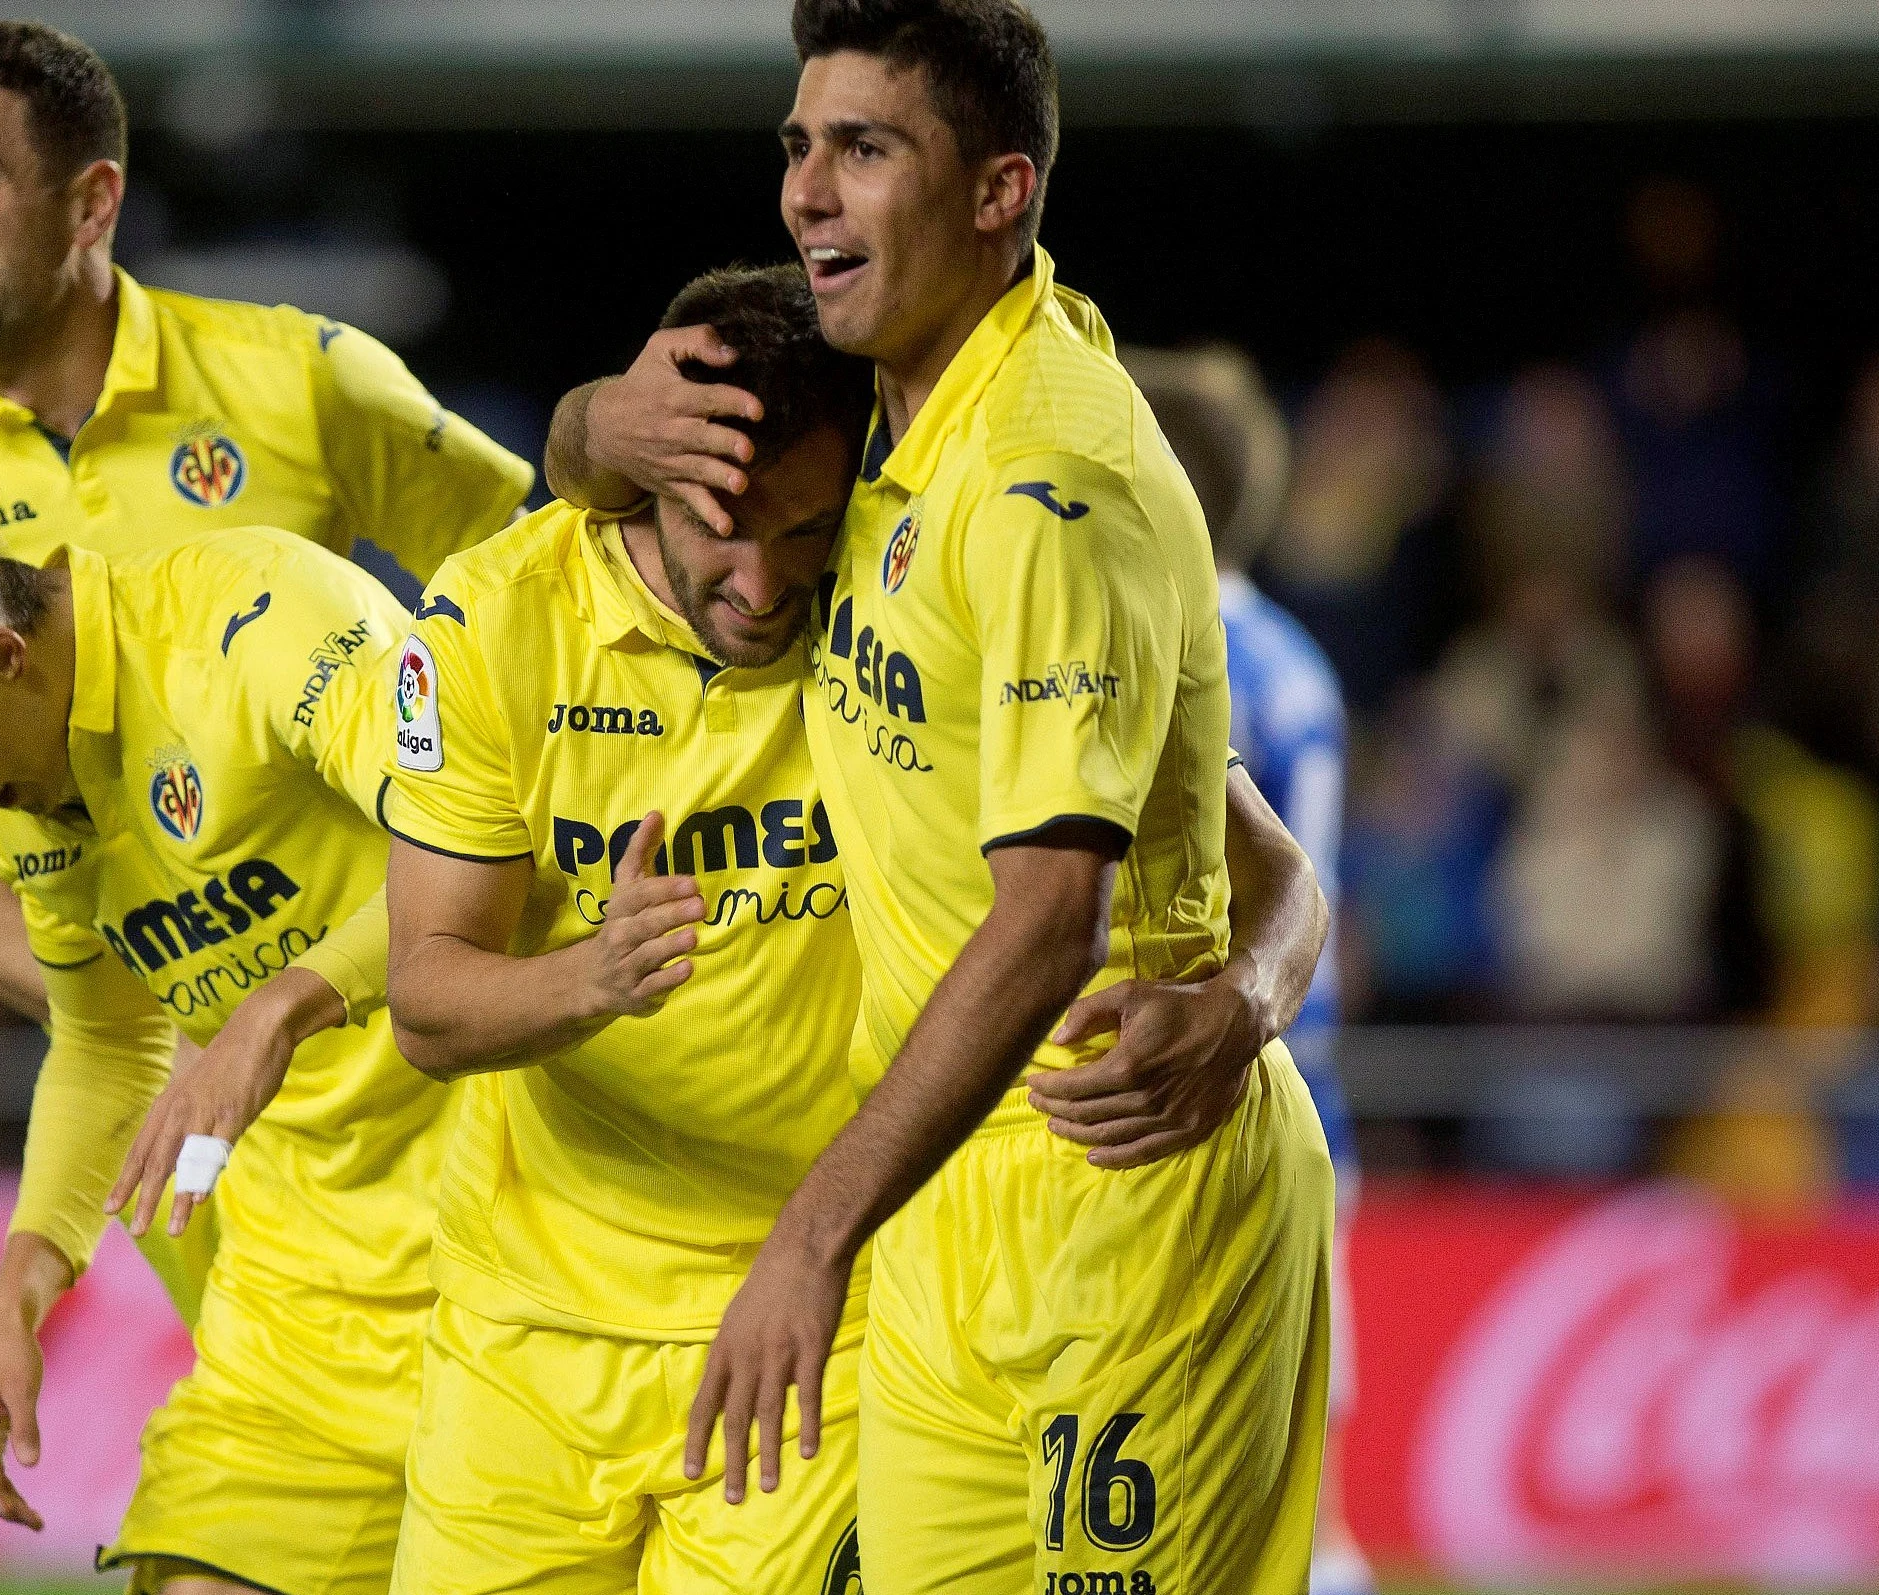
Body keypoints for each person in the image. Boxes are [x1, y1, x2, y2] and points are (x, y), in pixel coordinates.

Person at [544, 4, 1336, 1591]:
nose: (805, 193)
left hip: (1114, 1202)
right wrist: (593, 427)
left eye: (863, 149)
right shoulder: (892, 427)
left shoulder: (1049, 484)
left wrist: (806, 1234)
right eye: (796, 146)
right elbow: (1243, 821)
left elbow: (1051, 924)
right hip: (940, 1207)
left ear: (995, 190)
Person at [0, 461, 447, 1595]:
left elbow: (485, 843)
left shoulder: (259, 622)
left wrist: (274, 1011)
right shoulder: (36, 796)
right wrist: (21, 1290)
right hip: (298, 1310)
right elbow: (102, 1040)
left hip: (503, 1259)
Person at [0, 19, 530, 1020]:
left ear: (91, 204)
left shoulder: (302, 378)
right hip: (177, 1081)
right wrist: (151, 1027)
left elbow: (530, 605)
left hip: (400, 1024)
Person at [378, 264, 873, 1593]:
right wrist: (586, 979)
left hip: (825, 1311)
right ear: (646, 480)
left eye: (805, 528)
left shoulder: (909, 599)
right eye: (725, 522)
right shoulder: (494, 616)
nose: (765, 582)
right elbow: (424, 997)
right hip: (526, 1338)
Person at [1126, 345, 1373, 1595]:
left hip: (1195, 1093)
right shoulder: (1298, 659)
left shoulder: (1173, 643)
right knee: (1297, 1486)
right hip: (1307, 1094)